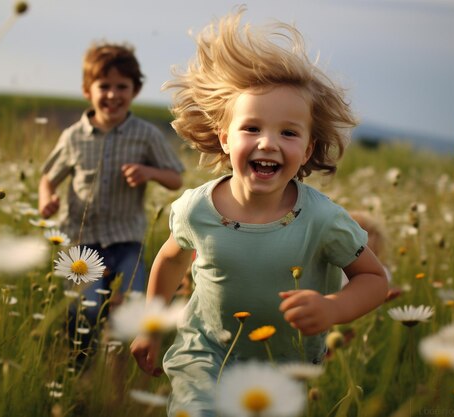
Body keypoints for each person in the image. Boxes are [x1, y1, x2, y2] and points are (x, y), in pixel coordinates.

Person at [130, 8, 388, 416]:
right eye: (252, 128)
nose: (268, 143)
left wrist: (333, 308)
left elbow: (374, 278)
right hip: (205, 352)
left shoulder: (322, 219)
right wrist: (150, 324)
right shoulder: (196, 208)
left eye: (287, 132)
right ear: (225, 139)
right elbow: (171, 258)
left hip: (284, 366)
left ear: (305, 150)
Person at [38, 41, 184, 356]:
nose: (113, 94)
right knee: (85, 309)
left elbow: (176, 178)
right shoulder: (74, 136)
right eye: (104, 86)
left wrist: (148, 172)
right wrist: (47, 198)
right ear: (87, 90)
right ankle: (79, 366)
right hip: (83, 240)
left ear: (136, 90)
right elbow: (48, 177)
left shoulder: (146, 135)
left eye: (122, 86)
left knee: (131, 307)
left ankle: (117, 371)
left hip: (127, 241)